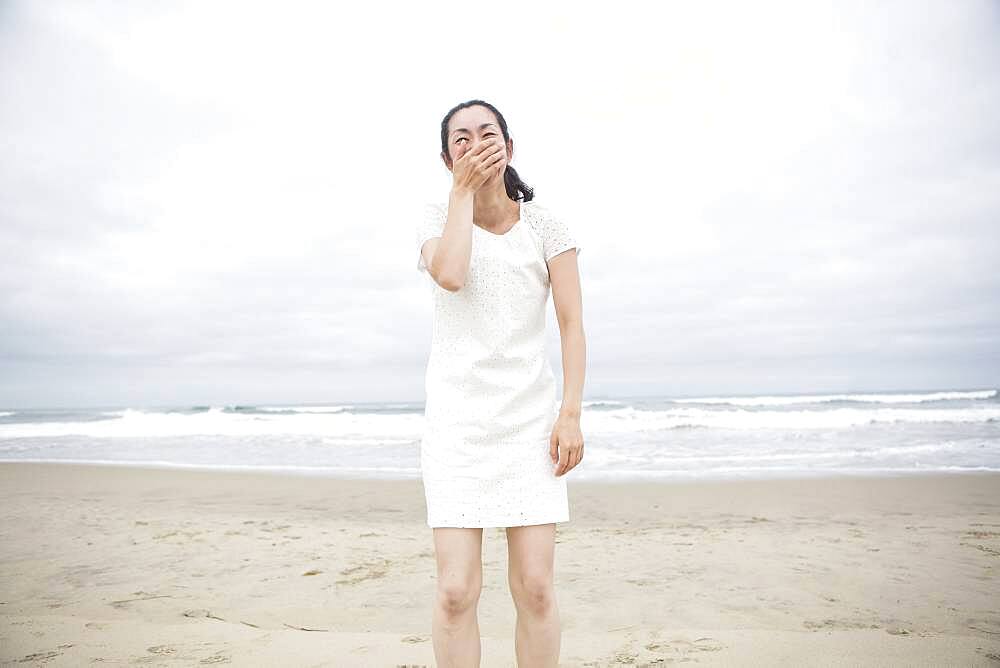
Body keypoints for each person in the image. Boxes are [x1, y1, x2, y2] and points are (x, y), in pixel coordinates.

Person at [415, 98, 587, 667]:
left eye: (487, 133)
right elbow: (453, 275)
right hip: (457, 429)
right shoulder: (433, 221)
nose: (475, 144)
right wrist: (461, 195)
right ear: (447, 158)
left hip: (528, 425)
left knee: (535, 587)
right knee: (455, 590)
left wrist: (570, 414)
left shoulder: (547, 227)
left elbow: (570, 323)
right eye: (460, 139)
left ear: (509, 148)